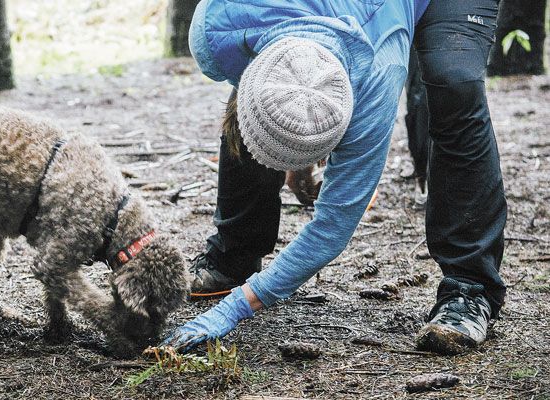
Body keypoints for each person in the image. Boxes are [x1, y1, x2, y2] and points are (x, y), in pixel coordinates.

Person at [172, 0, 506, 355]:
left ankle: (470, 288)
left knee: (454, 82)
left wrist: (236, 309)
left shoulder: (378, 75)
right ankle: (234, 252)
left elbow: (332, 228)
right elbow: (277, 84)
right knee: (264, 109)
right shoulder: (217, 26)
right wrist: (299, 135)